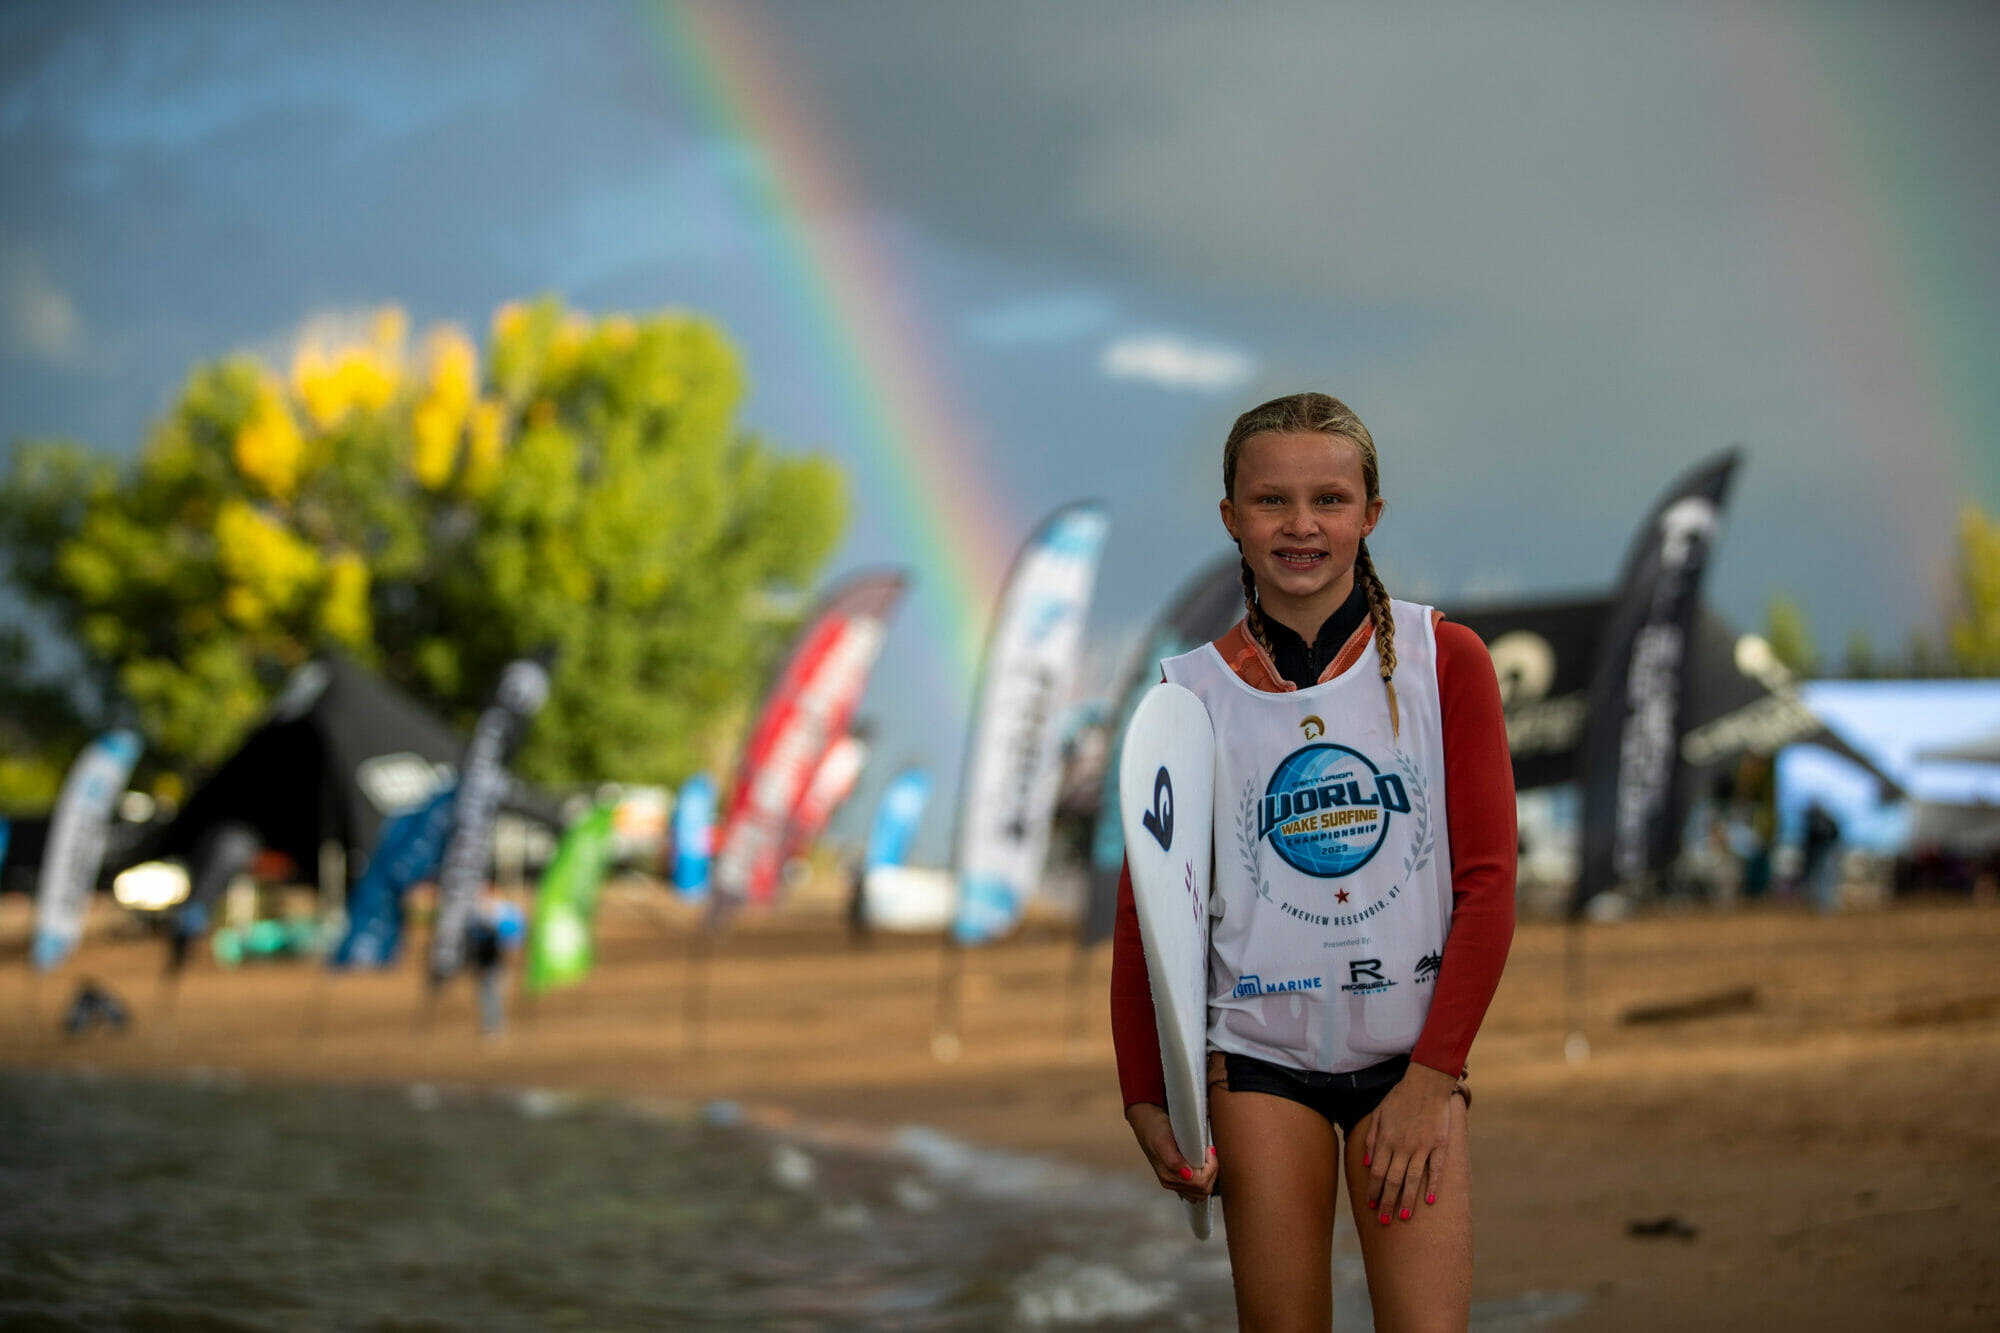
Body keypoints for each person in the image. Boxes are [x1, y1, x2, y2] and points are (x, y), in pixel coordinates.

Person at [1111, 393, 1516, 1331]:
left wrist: (1432, 1080)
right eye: (1271, 502)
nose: (1302, 526)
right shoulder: (1185, 698)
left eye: (1330, 500)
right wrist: (1146, 1091)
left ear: (1370, 514)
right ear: (1231, 519)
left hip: (1408, 1067)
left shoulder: (1446, 659)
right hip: (1258, 1063)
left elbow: (1488, 888)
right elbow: (1150, 921)